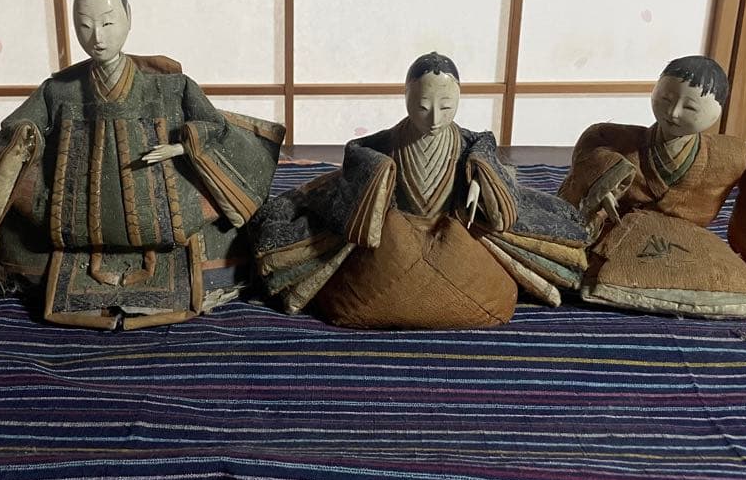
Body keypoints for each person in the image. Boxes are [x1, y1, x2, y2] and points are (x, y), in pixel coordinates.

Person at [0, 0, 284, 329]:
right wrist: (25, 139)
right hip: (75, 218)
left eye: (107, 23)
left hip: (164, 216)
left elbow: (213, 126)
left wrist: (183, 144)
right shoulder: (59, 90)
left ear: (128, 17)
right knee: (19, 239)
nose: (97, 37)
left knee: (226, 235)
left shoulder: (171, 86)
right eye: (84, 26)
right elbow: (20, 128)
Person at [252, 52, 591, 329]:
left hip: (458, 226)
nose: (434, 119)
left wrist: (478, 180)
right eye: (423, 106)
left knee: (543, 238)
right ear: (406, 97)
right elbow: (358, 155)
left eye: (446, 107)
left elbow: (484, 154)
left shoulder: (472, 144)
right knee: (302, 236)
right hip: (391, 232)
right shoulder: (385, 143)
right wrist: (377, 182)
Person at [558, 55, 746, 318]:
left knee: (728, 281)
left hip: (687, 240)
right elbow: (594, 146)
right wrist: (603, 179)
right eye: (666, 99)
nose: (673, 112)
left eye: (690, 107)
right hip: (615, 230)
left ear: (716, 111)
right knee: (571, 259)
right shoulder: (618, 139)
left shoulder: (727, 154)